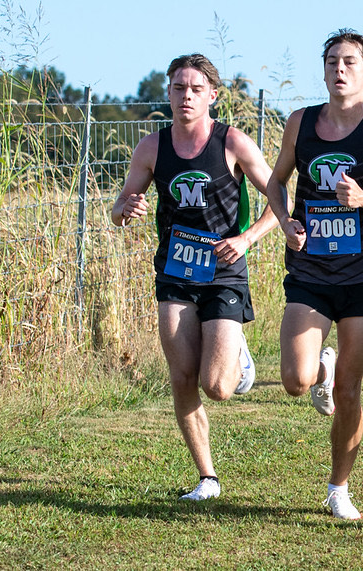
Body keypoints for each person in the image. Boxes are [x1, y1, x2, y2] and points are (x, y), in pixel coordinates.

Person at [111, 53, 279, 501]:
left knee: (218, 386)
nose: (186, 96)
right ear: (168, 93)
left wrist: (245, 239)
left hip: (224, 271)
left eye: (196, 89)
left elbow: (280, 200)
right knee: (181, 375)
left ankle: (238, 358)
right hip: (175, 272)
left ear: (212, 96)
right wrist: (125, 208)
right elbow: (120, 205)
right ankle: (207, 477)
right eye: (178, 88)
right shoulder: (151, 147)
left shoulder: (233, 142)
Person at [266, 29, 363, 520]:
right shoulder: (300, 123)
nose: (340, 68)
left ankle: (338, 488)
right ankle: (318, 368)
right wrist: (285, 221)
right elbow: (276, 181)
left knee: (349, 390)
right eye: (332, 61)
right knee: (294, 380)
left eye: (350, 61)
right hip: (310, 269)